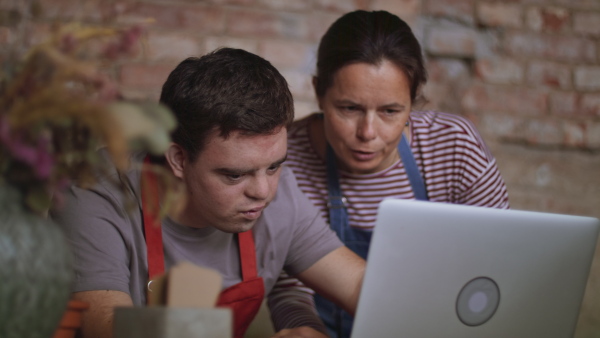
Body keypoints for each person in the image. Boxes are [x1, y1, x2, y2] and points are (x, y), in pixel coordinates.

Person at [51, 48, 364, 338]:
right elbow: (107, 328)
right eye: (234, 174)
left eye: (274, 166)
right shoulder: (94, 191)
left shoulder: (281, 195)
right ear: (179, 159)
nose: (263, 192)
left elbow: (359, 286)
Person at [271, 10, 510, 338]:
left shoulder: (455, 147)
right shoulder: (284, 161)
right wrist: (303, 328)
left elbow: (498, 264)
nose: (368, 132)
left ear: (412, 103)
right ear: (318, 93)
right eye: (349, 108)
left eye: (390, 111)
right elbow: (289, 284)